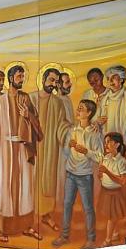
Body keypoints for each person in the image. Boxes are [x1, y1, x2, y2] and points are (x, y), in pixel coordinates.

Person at [0, 64, 43, 243]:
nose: (21, 79)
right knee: (6, 186)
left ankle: (26, 226)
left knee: (25, 186)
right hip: (5, 148)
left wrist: (28, 115)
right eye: (19, 76)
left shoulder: (25, 98)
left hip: (23, 148)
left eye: (23, 76)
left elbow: (37, 124)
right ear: (11, 78)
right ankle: (4, 228)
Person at [52, 99, 102, 249]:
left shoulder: (94, 133)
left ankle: (91, 239)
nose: (78, 111)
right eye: (78, 108)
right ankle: (64, 236)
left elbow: (100, 156)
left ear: (89, 113)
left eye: (81, 109)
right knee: (67, 204)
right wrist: (69, 146)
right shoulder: (72, 130)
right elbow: (66, 152)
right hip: (71, 173)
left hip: (85, 175)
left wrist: (86, 151)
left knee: (88, 208)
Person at [31, 67, 73, 233]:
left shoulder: (57, 102)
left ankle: (46, 215)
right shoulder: (31, 98)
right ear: (43, 80)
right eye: (51, 80)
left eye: (56, 81)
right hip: (31, 147)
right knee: (31, 180)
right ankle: (30, 217)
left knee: (47, 180)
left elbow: (62, 125)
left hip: (49, 147)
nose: (53, 84)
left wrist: (71, 132)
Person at [97, 132, 126, 247]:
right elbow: (102, 175)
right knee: (111, 215)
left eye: (109, 142)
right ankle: (115, 234)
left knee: (112, 217)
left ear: (117, 144)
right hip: (105, 191)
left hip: (114, 194)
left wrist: (107, 172)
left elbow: (123, 181)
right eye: (105, 142)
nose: (105, 145)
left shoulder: (121, 161)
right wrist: (101, 175)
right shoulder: (106, 158)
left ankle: (108, 240)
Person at [98, 65, 126, 146]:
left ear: (121, 79)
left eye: (114, 77)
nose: (110, 81)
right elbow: (98, 118)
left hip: (123, 136)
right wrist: (98, 121)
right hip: (107, 136)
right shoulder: (104, 99)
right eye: (108, 78)